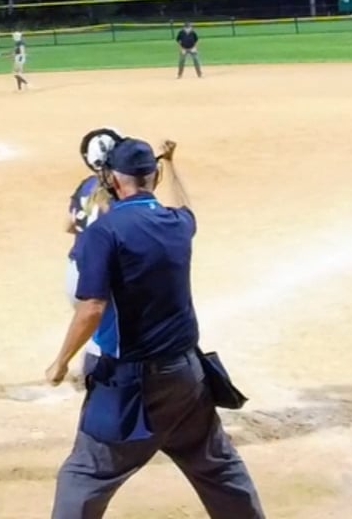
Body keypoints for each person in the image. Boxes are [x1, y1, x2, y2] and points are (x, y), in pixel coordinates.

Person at [46, 137, 265, 519]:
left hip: (131, 384)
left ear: (114, 179)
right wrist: (173, 165)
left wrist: (60, 362)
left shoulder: (104, 232)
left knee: (84, 477)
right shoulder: (178, 223)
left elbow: (92, 307)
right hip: (188, 377)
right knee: (218, 468)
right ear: (154, 176)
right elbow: (185, 206)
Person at [64, 128, 124, 388]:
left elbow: (69, 225)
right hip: (99, 277)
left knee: (96, 329)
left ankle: (86, 374)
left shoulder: (85, 185)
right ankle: (93, 382)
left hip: (74, 272)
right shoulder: (121, 192)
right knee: (108, 334)